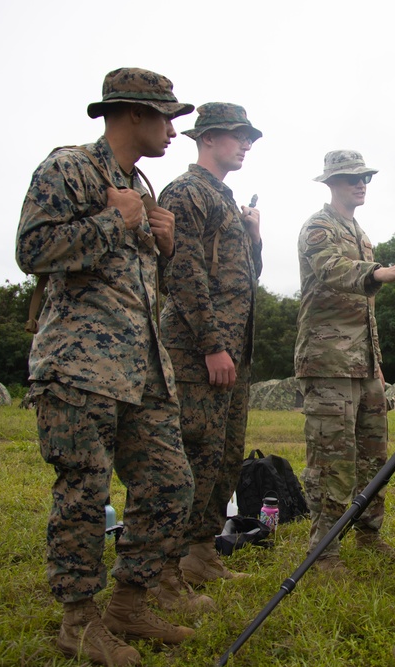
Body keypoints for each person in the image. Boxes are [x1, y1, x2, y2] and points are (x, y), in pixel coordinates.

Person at [16, 67, 200, 666]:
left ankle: (129, 603)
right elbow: (33, 249)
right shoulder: (69, 168)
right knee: (84, 495)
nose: (174, 128)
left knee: (171, 483)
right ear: (132, 114)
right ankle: (78, 621)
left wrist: (163, 248)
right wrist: (113, 221)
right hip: (78, 365)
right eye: (167, 116)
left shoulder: (140, 187)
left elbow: (143, 288)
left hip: (141, 369)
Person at [295, 149, 395, 573]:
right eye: (352, 177)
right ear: (331, 182)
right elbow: (332, 270)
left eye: (365, 177)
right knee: (332, 458)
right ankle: (325, 552)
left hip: (364, 364)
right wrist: (382, 271)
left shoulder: (360, 232)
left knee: (374, 455)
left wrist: (376, 362)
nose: (361, 183)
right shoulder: (319, 227)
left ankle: (370, 534)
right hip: (328, 361)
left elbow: (362, 307)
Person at [159, 103, 262, 587]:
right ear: (208, 139)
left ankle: (201, 553)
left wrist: (254, 239)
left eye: (249, 138)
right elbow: (182, 273)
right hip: (198, 352)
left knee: (224, 457)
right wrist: (211, 344)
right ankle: (170, 562)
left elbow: (242, 281)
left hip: (231, 353)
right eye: (238, 136)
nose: (246, 145)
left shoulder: (224, 198)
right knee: (193, 453)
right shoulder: (186, 193)